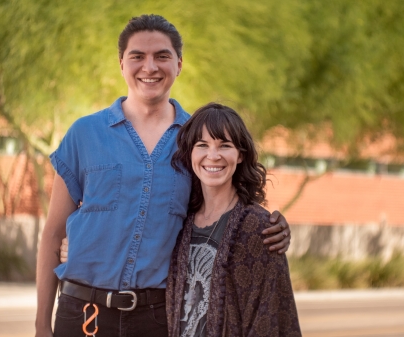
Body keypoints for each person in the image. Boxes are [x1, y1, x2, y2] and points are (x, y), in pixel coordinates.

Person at [35, 14, 291, 337]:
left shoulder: (196, 142)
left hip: (156, 320)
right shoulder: (84, 134)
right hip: (83, 315)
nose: (150, 67)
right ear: (121, 64)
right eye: (138, 56)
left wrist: (271, 225)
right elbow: (52, 234)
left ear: (179, 64)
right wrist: (41, 324)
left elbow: (224, 207)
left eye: (162, 56)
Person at [166, 103, 301, 337]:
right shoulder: (178, 222)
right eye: (202, 145)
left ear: (240, 155)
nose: (213, 155)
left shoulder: (259, 228)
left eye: (224, 145)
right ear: (190, 154)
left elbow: (271, 316)